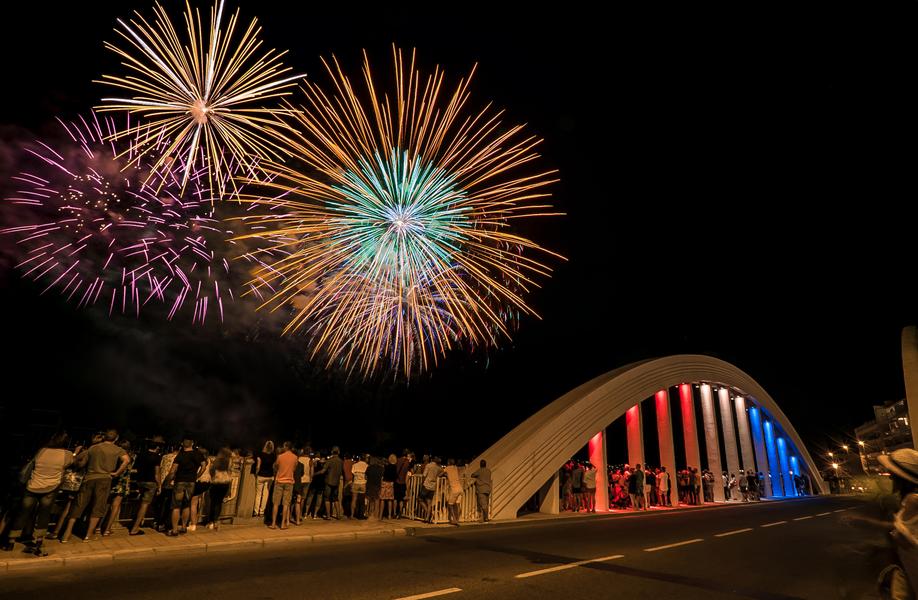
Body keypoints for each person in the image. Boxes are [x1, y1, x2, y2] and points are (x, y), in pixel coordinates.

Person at [0, 432, 75, 555]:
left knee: (22, 513)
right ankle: (39, 543)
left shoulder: (42, 450)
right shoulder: (67, 454)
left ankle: (10, 542)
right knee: (44, 515)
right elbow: (71, 463)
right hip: (51, 487)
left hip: (32, 486)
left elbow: (34, 463)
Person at [59, 429, 130, 543]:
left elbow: (80, 461)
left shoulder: (93, 448)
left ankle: (66, 533)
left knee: (78, 505)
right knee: (98, 506)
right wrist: (117, 473)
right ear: (116, 438)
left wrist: (76, 455)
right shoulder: (118, 450)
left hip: (89, 478)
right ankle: (88, 535)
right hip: (104, 479)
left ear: (104, 437)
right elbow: (126, 460)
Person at [163, 438, 205, 536]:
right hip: (191, 482)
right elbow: (204, 465)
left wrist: (166, 482)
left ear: (182, 444)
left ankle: (174, 530)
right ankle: (183, 527)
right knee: (186, 504)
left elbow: (173, 471)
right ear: (192, 443)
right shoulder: (197, 454)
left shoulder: (180, 455)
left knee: (176, 506)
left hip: (180, 482)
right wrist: (197, 475)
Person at [129, 435, 164, 536]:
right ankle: (135, 528)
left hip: (140, 481)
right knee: (145, 504)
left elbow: (135, 468)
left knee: (139, 502)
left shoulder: (141, 454)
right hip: (150, 482)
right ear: (157, 447)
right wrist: (159, 485)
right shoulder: (157, 457)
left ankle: (135, 521)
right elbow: (157, 473)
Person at [102, 439, 133, 535]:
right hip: (122, 482)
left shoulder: (115, 456)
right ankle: (107, 529)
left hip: (112, 481)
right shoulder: (129, 457)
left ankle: (99, 526)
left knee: (106, 504)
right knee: (116, 506)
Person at [271, 442, 298, 529]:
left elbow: (275, 467)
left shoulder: (280, 456)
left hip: (279, 481)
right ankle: (283, 524)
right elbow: (294, 469)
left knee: (276, 503)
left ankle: (273, 523)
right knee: (286, 504)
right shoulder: (295, 457)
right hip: (289, 482)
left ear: (286, 447)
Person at [206, 447, 233, 530]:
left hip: (216, 483)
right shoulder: (229, 461)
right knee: (219, 503)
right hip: (225, 483)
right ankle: (216, 521)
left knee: (213, 502)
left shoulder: (216, 461)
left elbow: (211, 471)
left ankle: (210, 522)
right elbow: (230, 473)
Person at [317, 447, 344, 520]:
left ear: (332, 452)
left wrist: (314, 474)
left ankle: (328, 516)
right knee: (336, 499)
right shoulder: (341, 461)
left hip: (328, 481)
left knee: (327, 499)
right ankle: (338, 515)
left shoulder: (329, 460)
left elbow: (323, 471)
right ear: (338, 452)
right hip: (336, 482)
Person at [253, 441, 275, 517]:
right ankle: (262, 511)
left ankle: (256, 511)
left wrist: (256, 473)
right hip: (270, 476)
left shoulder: (260, 454)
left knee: (258, 494)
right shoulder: (273, 456)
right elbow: (274, 467)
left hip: (261, 475)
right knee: (266, 493)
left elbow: (258, 466)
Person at [441, 459, 462, 526]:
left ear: (448, 463)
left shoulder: (447, 468)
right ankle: (457, 519)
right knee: (458, 504)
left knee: (450, 505)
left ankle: (454, 520)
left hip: (454, 489)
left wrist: (444, 475)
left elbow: (440, 474)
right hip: (460, 488)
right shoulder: (455, 467)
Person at [395, 450, 413, 519]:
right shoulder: (407, 462)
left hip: (397, 481)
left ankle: (394, 512)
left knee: (396, 498)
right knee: (401, 499)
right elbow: (410, 471)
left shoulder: (398, 460)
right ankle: (400, 512)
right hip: (403, 482)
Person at [350, 454, 368, 520]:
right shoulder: (367, 466)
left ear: (360, 458)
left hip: (356, 483)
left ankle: (352, 515)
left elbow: (352, 474)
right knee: (363, 500)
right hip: (363, 484)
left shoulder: (355, 465)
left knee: (354, 499)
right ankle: (362, 514)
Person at [381, 454, 398, 519]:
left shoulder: (386, 466)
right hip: (391, 483)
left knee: (382, 499)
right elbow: (395, 476)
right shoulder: (395, 467)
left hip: (384, 482)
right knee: (390, 500)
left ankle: (381, 515)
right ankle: (389, 515)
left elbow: (383, 475)